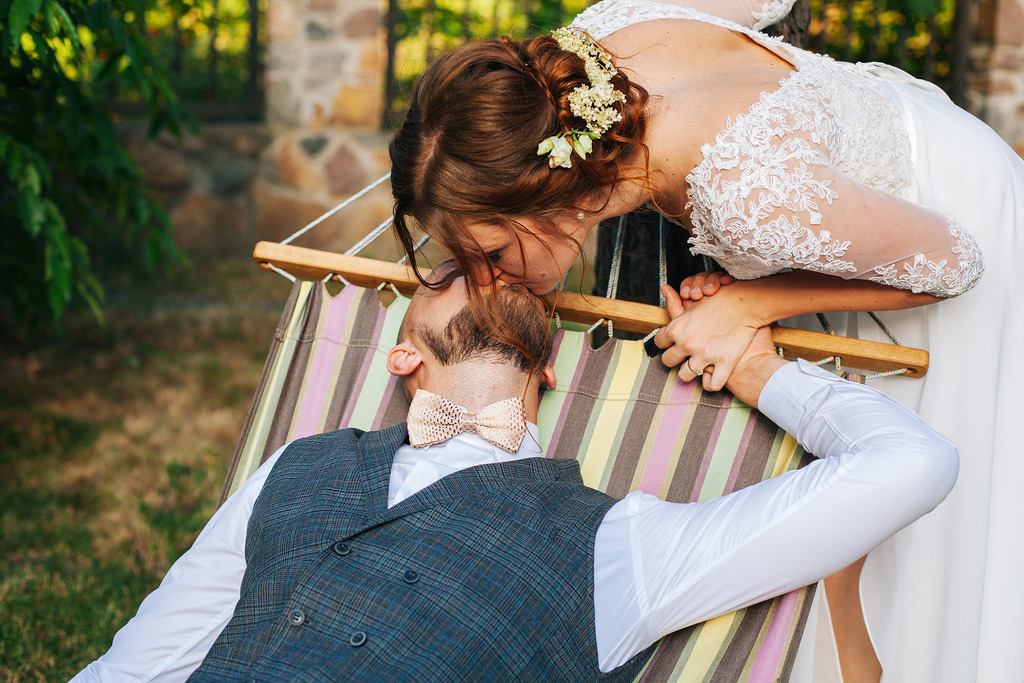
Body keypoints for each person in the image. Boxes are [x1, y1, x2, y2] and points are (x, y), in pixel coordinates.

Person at [387, 1, 1024, 679]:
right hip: (843, 185)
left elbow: (955, 262)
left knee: (918, 550)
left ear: (550, 201)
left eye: (485, 251)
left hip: (943, 219)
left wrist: (753, 299)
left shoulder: (745, 195)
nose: (483, 279)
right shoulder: (581, 65)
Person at [72, 267, 957, 680]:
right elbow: (140, 663)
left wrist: (755, 363)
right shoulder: (297, 468)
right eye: (453, 269)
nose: (488, 269)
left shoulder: (621, 547)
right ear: (401, 356)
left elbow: (912, 463)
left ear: (548, 370)